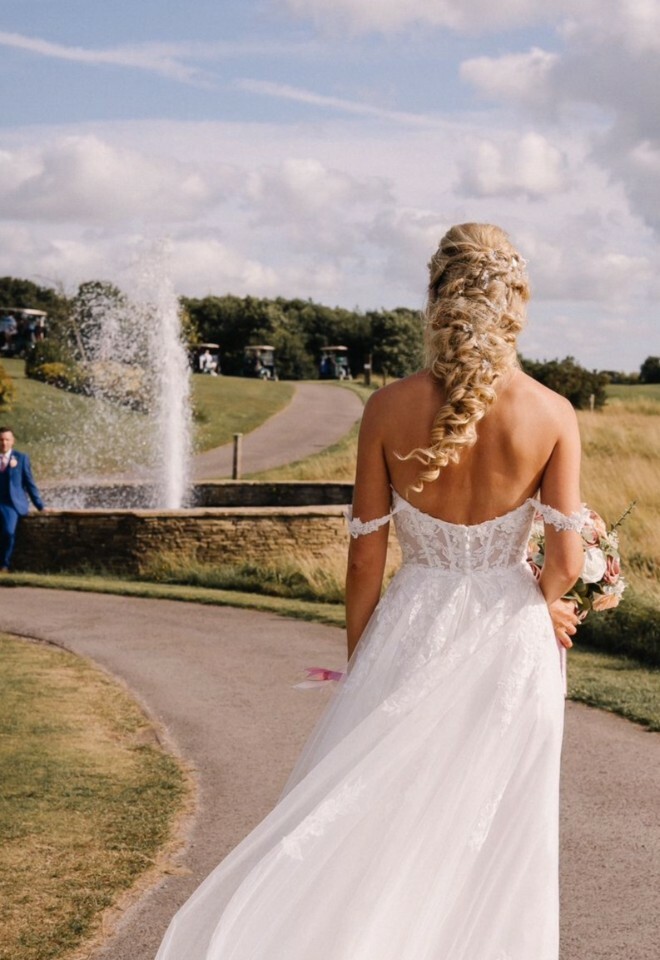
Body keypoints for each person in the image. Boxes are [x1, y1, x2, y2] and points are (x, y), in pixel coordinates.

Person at [154, 223, 585, 960]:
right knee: (494, 836)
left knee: (380, 821)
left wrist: (367, 652)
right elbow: (568, 560)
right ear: (516, 302)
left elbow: (365, 558)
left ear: (436, 297)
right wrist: (541, 601)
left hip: (412, 626)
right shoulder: (552, 413)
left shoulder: (385, 408)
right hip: (511, 645)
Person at [0, 427, 44, 572]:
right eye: (1, 440)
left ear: (13, 441)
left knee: (8, 532)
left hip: (11, 504)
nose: (4, 443)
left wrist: (40, 506)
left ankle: (4, 565)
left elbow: (29, 483)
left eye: (7, 440)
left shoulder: (21, 458)